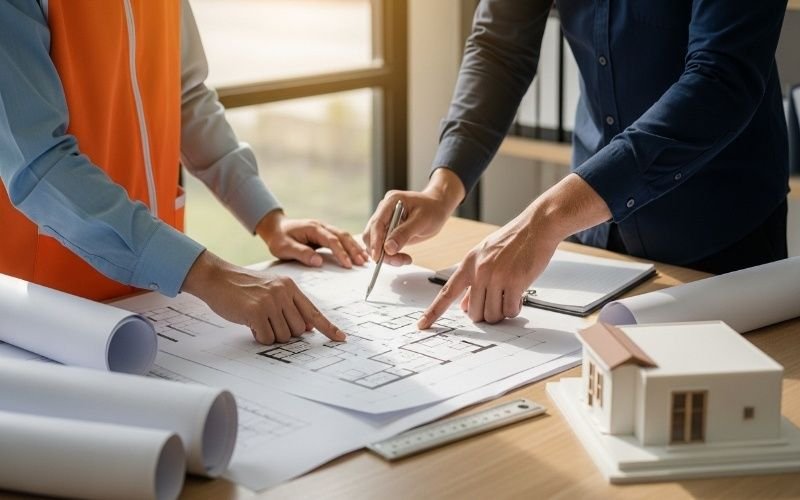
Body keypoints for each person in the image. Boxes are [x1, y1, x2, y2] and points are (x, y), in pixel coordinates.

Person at [364, 0, 790, 329]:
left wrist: (546, 218)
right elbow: (500, 48)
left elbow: (721, 79)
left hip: (719, 233)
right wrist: (442, 189)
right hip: (592, 231)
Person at [0, 0, 369, 345]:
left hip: (159, 297)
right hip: (46, 309)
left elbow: (186, 95)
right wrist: (208, 274)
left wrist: (267, 217)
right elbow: (38, 162)